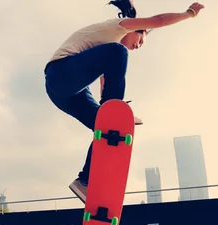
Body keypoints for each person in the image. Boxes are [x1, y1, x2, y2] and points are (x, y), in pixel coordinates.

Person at [44, 0, 205, 203]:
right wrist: (190, 13)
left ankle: (84, 181)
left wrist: (116, 119)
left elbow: (106, 82)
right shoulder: (118, 27)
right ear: (136, 29)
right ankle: (114, 110)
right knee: (119, 52)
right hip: (60, 73)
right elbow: (158, 20)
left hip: (63, 93)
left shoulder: (103, 53)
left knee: (104, 129)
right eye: (140, 41)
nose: (137, 47)